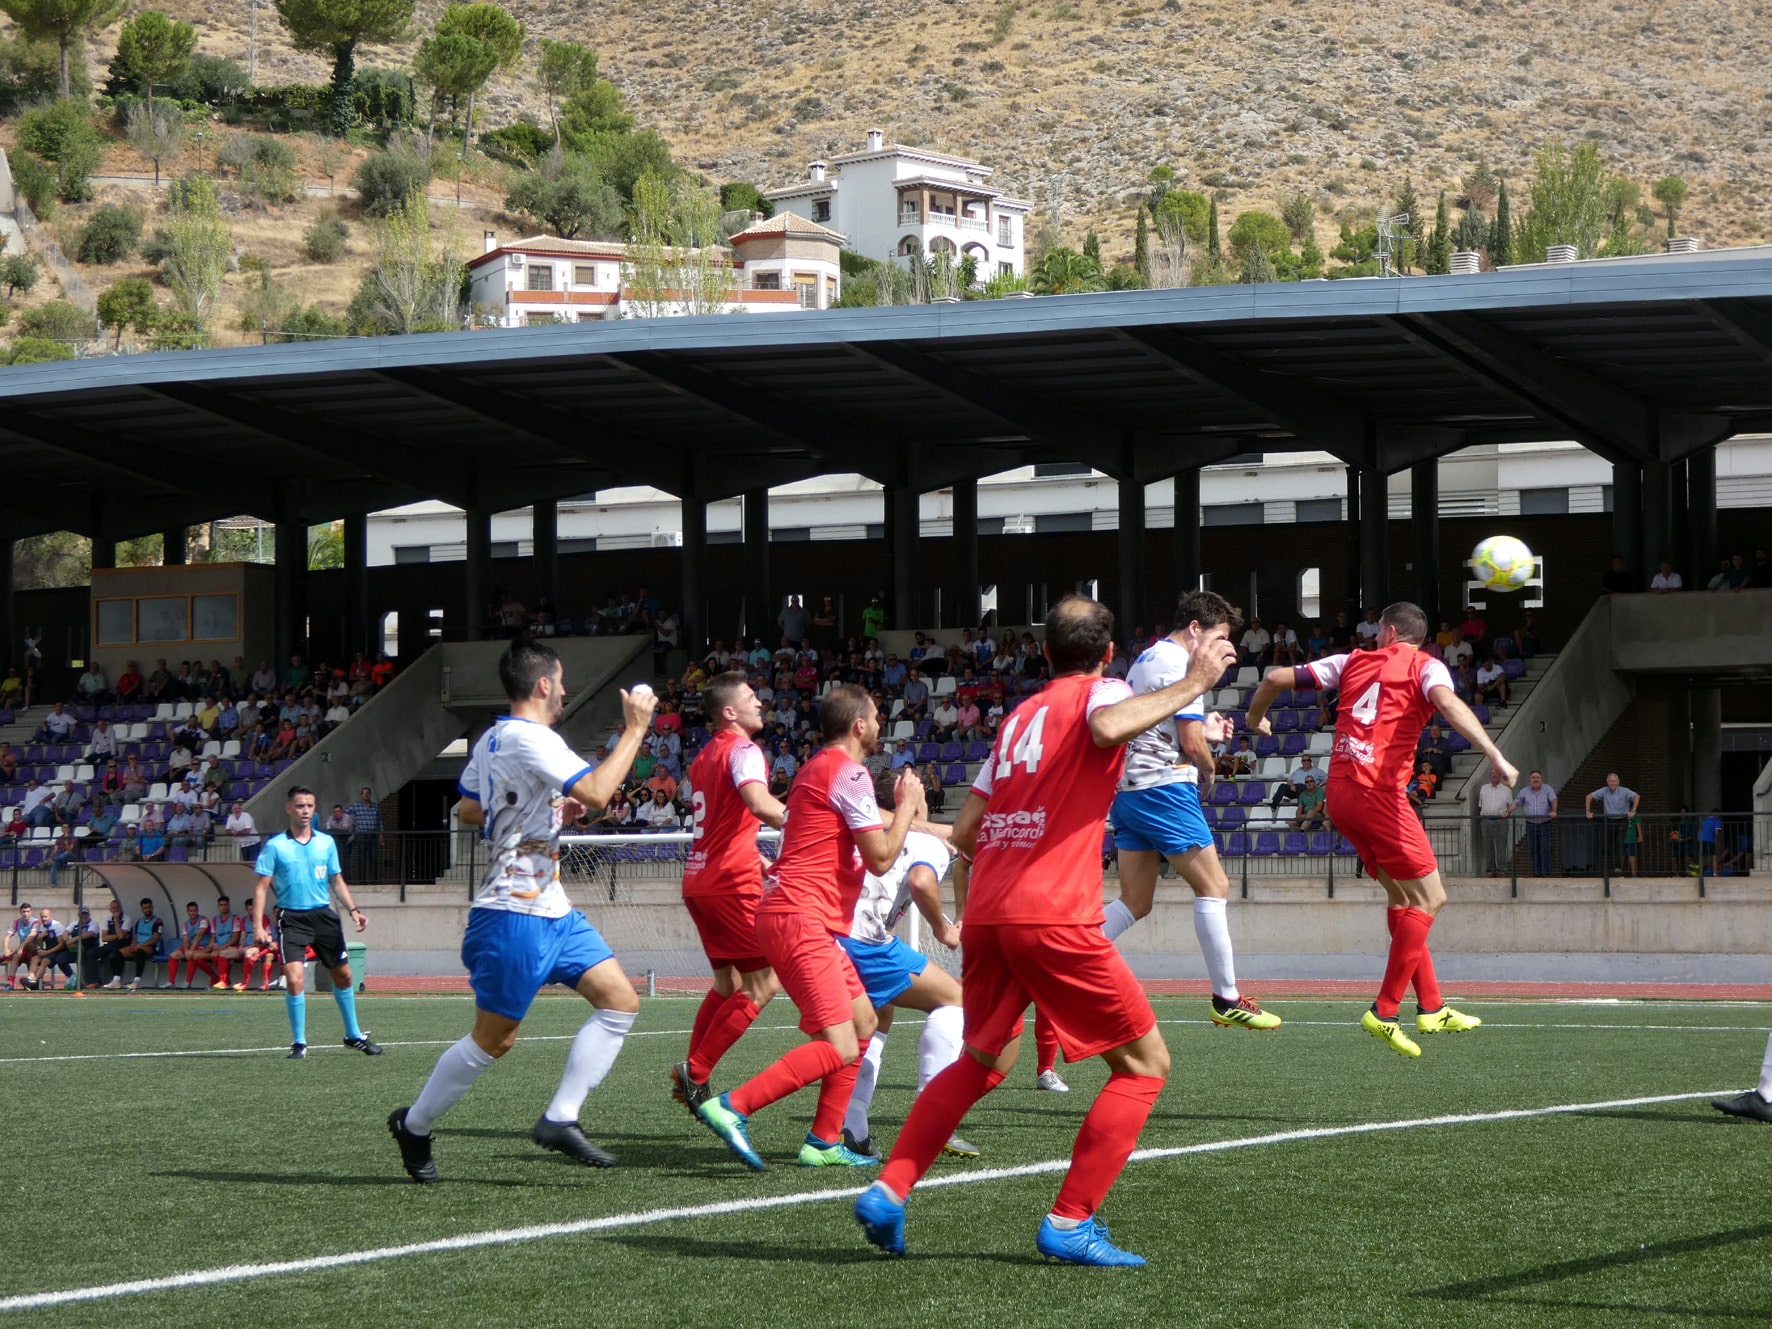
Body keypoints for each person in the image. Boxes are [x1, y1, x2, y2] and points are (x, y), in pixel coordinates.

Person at [854, 595, 1233, 1267]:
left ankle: (890, 1188)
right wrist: (1196, 684)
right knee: (1145, 1065)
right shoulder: (1104, 691)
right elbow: (1109, 722)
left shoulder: (1016, 719)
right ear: (1108, 654)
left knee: (981, 1060)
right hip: (1051, 911)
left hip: (994, 912)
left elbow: (967, 830)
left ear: (1045, 652)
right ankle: (1070, 1219)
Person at [389, 640, 657, 1183]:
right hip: (512, 913)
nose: (563, 691)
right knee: (495, 1040)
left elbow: (467, 808)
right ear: (541, 685)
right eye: (559, 683)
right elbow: (604, 793)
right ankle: (414, 1126)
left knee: (621, 1002)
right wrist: (635, 728)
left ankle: (560, 1118)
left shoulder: (492, 739)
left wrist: (547, 802)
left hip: (550, 907)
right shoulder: (534, 737)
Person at [1247, 600, 1516, 1059]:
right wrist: (1494, 752)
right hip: (1379, 794)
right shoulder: (1427, 667)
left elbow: (1273, 678)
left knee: (1404, 899)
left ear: (1388, 632)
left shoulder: (1349, 660)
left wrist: (1254, 720)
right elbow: (1448, 704)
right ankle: (1385, 1010)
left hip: (1340, 794)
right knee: (1432, 898)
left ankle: (1431, 1006)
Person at [694, 685, 924, 1171]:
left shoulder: (817, 768)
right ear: (859, 725)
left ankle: (823, 1140)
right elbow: (881, 859)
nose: (881, 723)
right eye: (878, 715)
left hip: (795, 915)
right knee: (839, 1044)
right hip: (800, 919)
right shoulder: (849, 772)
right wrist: (906, 807)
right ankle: (733, 1107)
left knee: (863, 1023)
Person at [1104, 591, 1278, 1030]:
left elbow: (1167, 723)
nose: (1225, 648)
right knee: (1215, 885)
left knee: (1134, 902)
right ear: (1196, 629)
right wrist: (1209, 765)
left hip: (1129, 790)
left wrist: (1205, 731)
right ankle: (1227, 997)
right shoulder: (1184, 664)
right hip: (1164, 786)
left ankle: (1064, 954)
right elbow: (1188, 743)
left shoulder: (1148, 657)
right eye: (1219, 636)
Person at [838, 774, 975, 1160]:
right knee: (954, 1000)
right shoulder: (927, 840)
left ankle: (854, 1124)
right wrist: (943, 928)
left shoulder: (864, 826)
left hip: (827, 937)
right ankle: (933, 1116)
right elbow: (919, 880)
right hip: (864, 942)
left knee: (880, 1014)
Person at [669, 673, 788, 1109]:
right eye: (752, 697)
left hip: (699, 878)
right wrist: (810, 822)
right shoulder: (744, 749)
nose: (761, 702)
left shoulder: (704, 757)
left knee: (728, 982)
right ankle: (696, 1072)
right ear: (729, 712)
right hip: (729, 884)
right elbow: (759, 803)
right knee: (763, 983)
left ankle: (691, 1072)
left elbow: (725, 825)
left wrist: (760, 861)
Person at [252, 786, 380, 1059]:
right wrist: (257, 927)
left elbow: (336, 880)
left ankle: (353, 1035)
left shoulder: (326, 842)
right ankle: (299, 1043)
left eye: (310, 805)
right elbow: (261, 888)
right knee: (295, 980)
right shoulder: (276, 846)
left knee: (344, 976)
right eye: (300, 806)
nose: (306, 810)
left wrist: (353, 910)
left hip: (323, 916)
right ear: (289, 808)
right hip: (292, 918)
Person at [1585, 774, 1640, 877]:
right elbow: (1589, 796)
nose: (1612, 783)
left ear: (1618, 782)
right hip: (1609, 819)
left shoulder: (1624, 791)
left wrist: (1633, 810)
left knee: (1619, 843)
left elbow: (1636, 796)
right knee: (1607, 843)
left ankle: (1618, 867)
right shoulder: (1604, 790)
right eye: (1610, 781)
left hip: (1621, 819)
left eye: (1614, 781)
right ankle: (1606, 869)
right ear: (1607, 782)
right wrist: (1588, 811)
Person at [114, 898, 165, 991]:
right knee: (118, 953)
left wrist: (141, 945)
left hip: (151, 947)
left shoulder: (158, 921)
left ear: (152, 907)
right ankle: (116, 980)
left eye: (149, 907)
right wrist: (133, 943)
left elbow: (155, 938)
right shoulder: (139, 922)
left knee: (140, 952)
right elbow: (136, 936)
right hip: (138, 946)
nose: (147, 909)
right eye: (145, 908)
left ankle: (136, 981)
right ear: (142, 909)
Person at [165, 901, 218, 989]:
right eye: (191, 911)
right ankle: (171, 982)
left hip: (204, 946)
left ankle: (189, 982)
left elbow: (199, 936)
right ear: (187, 912)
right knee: (173, 955)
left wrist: (190, 951)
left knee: (192, 956)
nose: (193, 913)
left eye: (195, 910)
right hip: (192, 946)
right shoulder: (185, 924)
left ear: (198, 911)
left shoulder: (203, 920)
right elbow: (185, 940)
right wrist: (186, 950)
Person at [1513, 772, 1558, 876]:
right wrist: (1507, 811)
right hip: (1531, 824)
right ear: (1530, 780)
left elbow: (1554, 799)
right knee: (1534, 848)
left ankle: (1545, 873)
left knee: (1545, 848)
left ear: (1541, 779)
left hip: (1544, 823)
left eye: (1538, 777)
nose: (1535, 779)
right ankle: (1536, 873)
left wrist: (1554, 811)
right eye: (1533, 777)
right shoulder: (1525, 791)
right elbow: (1516, 802)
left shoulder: (1547, 789)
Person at [1477, 767, 1515, 875]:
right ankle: (1490, 869)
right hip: (1486, 819)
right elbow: (1481, 805)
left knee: (1501, 845)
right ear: (1489, 776)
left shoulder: (1506, 790)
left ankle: (1502, 869)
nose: (1494, 776)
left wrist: (1507, 812)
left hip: (1501, 820)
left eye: (1497, 774)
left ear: (1500, 776)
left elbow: (1511, 806)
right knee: (1487, 846)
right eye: (1492, 774)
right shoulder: (1483, 788)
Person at [345, 787, 382, 883]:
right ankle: (362, 881)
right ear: (361, 795)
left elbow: (379, 821)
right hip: (361, 835)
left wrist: (381, 834)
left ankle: (374, 881)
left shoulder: (375, 807)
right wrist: (351, 821)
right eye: (364, 793)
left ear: (370, 794)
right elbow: (345, 813)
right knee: (361, 858)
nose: (367, 795)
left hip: (372, 835)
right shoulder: (356, 806)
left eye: (368, 793)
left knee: (373, 858)